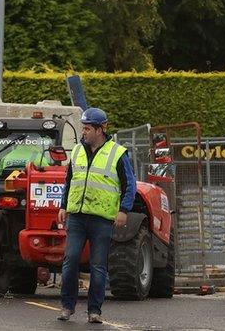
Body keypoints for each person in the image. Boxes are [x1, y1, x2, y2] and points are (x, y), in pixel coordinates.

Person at [57, 107, 136, 324]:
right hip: (77, 217)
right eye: (83, 128)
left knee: (98, 266)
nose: (84, 132)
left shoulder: (118, 153)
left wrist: (123, 210)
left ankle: (95, 311)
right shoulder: (76, 151)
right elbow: (69, 181)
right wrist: (63, 206)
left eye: (88, 128)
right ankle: (67, 306)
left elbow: (129, 185)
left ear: (101, 129)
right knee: (70, 259)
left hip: (102, 219)